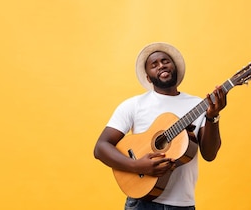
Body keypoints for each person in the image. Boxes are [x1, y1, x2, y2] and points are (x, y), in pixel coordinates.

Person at [93, 42, 226, 210]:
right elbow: (100, 148)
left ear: (174, 67)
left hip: (182, 204)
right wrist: (137, 166)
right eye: (154, 65)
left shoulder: (197, 105)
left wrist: (212, 117)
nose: (161, 65)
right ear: (148, 77)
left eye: (165, 61)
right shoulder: (134, 105)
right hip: (141, 203)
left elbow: (210, 154)